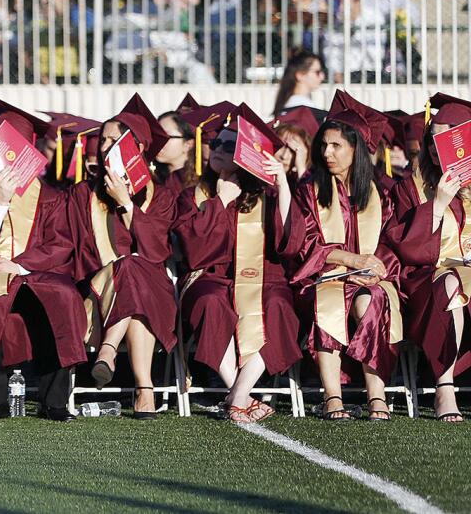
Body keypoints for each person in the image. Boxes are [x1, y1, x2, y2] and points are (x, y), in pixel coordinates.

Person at [0, 104, 85, 421]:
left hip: (33, 272)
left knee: (62, 296)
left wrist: (20, 265)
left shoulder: (50, 196)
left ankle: (55, 403)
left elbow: (61, 244)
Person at [175, 115, 302, 423]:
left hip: (266, 279)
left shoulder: (268, 195)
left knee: (279, 306)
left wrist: (282, 183)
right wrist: (221, 200)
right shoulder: (193, 195)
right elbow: (195, 252)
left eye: (229, 145)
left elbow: (291, 241)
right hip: (209, 278)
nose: (217, 148)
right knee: (210, 303)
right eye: (216, 142)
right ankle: (240, 394)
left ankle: (238, 394)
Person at [291, 102, 402, 422]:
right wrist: (351, 261)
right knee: (332, 299)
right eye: (324, 145)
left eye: (336, 145)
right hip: (321, 279)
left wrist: (371, 269)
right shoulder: (309, 191)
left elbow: (389, 242)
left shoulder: (381, 190)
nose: (327, 152)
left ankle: (376, 398)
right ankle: (332, 397)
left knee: (374, 298)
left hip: (368, 280)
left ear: (356, 149)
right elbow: (304, 245)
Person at [68, 96, 178, 419]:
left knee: (133, 268)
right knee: (128, 273)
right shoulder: (82, 195)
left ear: (137, 150)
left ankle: (108, 350)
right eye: (102, 139)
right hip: (98, 293)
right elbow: (77, 255)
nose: (104, 146)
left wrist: (128, 205)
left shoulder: (162, 197)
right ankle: (145, 389)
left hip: (154, 290)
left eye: (114, 141)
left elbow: (156, 252)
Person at [390, 92, 471, 422]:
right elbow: (408, 249)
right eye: (432, 141)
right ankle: (444, 387)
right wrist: (437, 203)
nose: (438, 151)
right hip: (431, 277)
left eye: (446, 142)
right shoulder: (413, 185)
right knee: (451, 285)